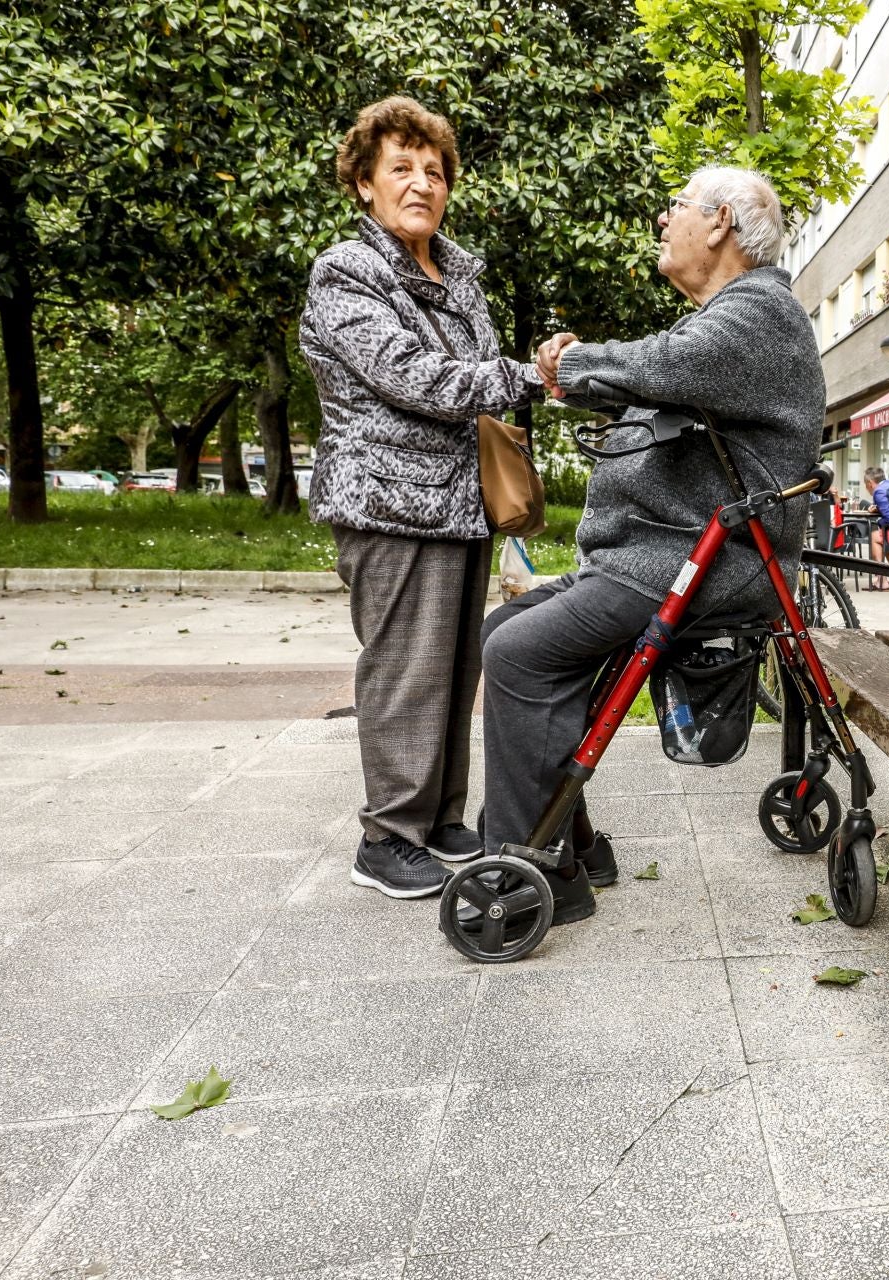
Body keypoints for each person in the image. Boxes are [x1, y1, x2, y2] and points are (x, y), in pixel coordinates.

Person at [476, 165, 824, 925]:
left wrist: (568, 363)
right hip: (661, 556)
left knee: (518, 653)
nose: (663, 222)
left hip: (702, 565)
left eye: (675, 209)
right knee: (505, 630)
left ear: (721, 221)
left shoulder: (759, 313)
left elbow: (659, 369)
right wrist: (581, 374)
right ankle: (568, 842)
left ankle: (522, 873)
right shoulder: (728, 314)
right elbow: (658, 377)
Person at [299, 96, 546, 900]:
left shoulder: (458, 271)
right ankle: (388, 836)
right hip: (388, 503)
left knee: (454, 666)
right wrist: (533, 376)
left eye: (434, 171)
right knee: (405, 669)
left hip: (462, 501)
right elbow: (415, 377)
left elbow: (478, 384)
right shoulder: (347, 271)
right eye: (400, 168)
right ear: (365, 184)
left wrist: (516, 378)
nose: (420, 183)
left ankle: (440, 817)